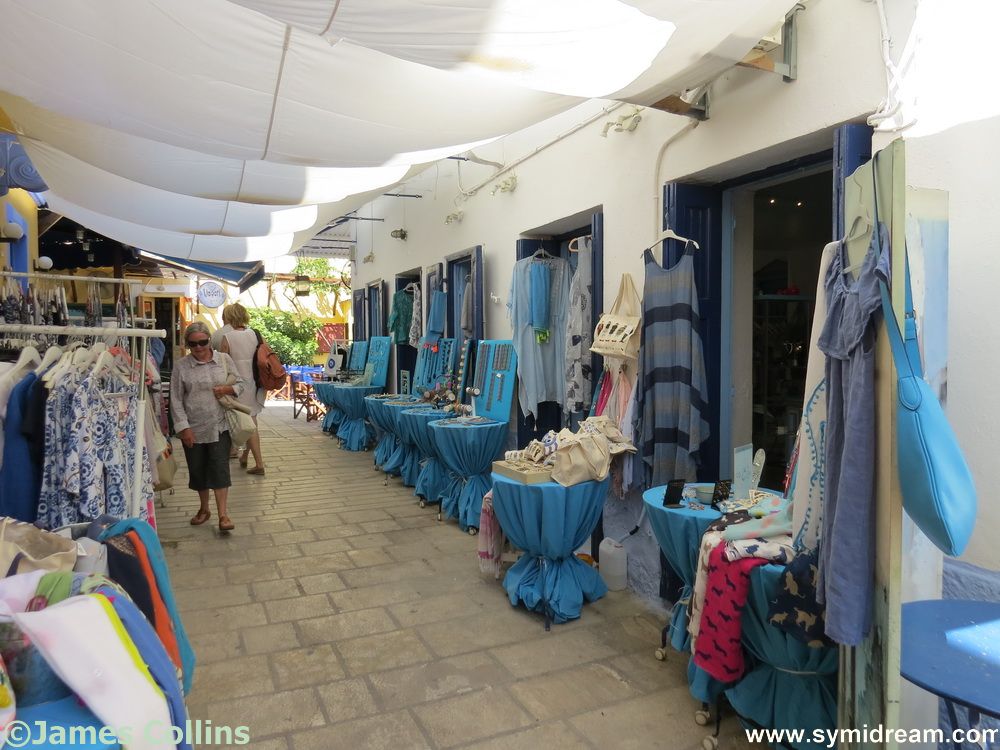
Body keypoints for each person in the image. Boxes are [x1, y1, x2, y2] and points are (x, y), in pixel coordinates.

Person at [170, 321, 243, 532]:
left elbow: (240, 384)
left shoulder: (224, 360)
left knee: (220, 468)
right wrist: (184, 428)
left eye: (203, 342)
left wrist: (228, 389)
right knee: (198, 470)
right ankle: (204, 509)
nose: (199, 348)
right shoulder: (182, 366)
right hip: (193, 427)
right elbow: (175, 399)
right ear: (187, 345)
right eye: (194, 344)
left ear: (209, 341)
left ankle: (223, 515)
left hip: (220, 425)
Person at [218, 303, 267, 475]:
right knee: (251, 420)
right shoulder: (255, 334)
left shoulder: (228, 338)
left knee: (249, 423)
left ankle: (259, 464)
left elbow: (223, 365)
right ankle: (245, 457)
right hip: (256, 383)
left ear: (229, 317)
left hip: (238, 385)